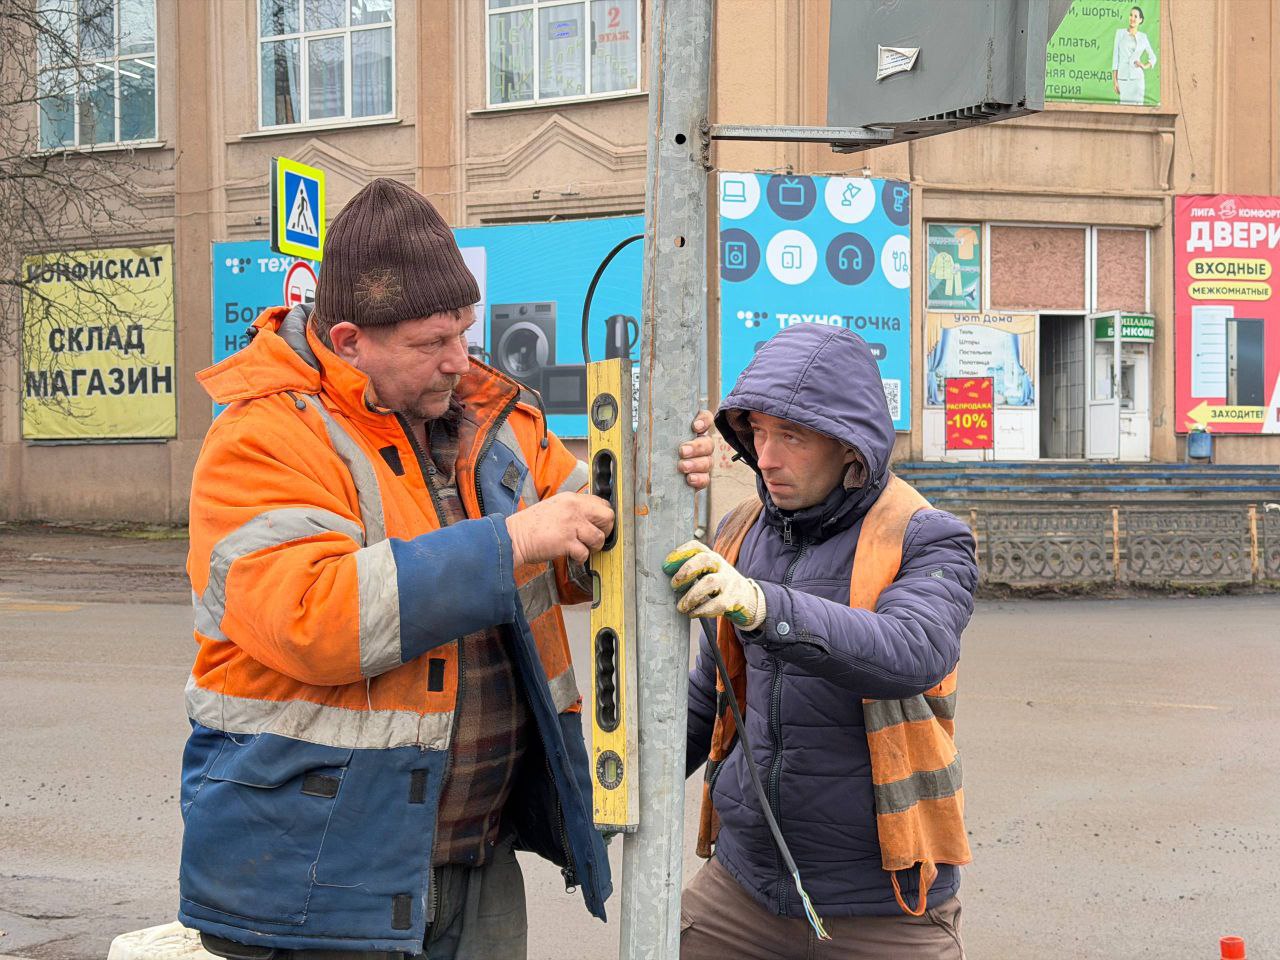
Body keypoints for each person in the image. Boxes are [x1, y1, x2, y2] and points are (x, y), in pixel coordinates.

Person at [177, 178, 713, 960]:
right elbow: (314, 619)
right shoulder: (263, 436)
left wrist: (658, 481)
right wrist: (514, 541)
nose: (460, 361)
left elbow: (587, 544)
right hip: (316, 871)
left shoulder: (492, 422)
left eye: (465, 330)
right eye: (433, 342)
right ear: (351, 339)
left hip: (474, 856)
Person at [667, 324, 978, 959]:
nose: (767, 455)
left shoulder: (928, 536)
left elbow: (911, 649)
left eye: (792, 436)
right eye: (756, 432)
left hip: (885, 910)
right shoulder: (741, 528)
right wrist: (601, 792)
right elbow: (711, 693)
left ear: (849, 447)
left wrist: (764, 606)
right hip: (740, 893)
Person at [1112, 6, 1156, 106]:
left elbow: (1153, 58)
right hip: (1123, 79)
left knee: (1138, 109)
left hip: (1137, 79)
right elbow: (1115, 58)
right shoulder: (1120, 33)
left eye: (1135, 16)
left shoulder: (1143, 37)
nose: (1132, 18)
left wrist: (1144, 66)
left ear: (1140, 20)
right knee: (1124, 109)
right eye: (1131, 15)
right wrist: (1115, 81)